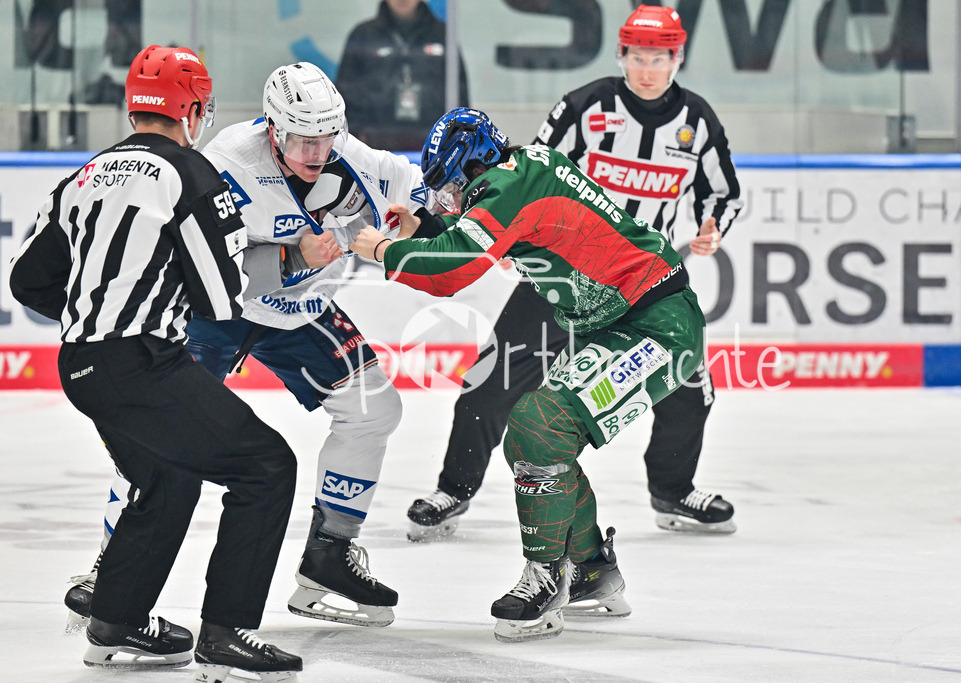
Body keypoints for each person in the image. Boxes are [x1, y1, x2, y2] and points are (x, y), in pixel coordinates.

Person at [62, 62, 431, 632]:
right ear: (273, 129)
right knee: (159, 435)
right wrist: (291, 258)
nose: (317, 150)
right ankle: (109, 568)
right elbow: (205, 267)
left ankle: (329, 553)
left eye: (326, 137)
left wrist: (432, 216)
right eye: (303, 139)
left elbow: (429, 197)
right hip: (221, 311)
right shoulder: (228, 161)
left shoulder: (356, 160)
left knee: (373, 409)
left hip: (302, 310)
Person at [350, 106, 707, 642]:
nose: (447, 200)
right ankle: (589, 569)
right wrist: (425, 228)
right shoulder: (515, 175)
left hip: (657, 327)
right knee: (533, 443)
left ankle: (548, 575)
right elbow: (475, 234)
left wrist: (385, 250)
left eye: (448, 188)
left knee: (538, 427)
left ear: (472, 168)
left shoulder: (508, 183)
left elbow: (454, 270)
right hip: (618, 324)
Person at [9, 45, 302, 677]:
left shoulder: (85, 174)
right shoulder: (193, 174)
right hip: (143, 363)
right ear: (192, 108)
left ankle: (115, 620)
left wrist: (103, 302)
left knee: (168, 478)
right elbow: (221, 298)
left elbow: (28, 281)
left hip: (81, 365)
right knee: (266, 466)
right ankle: (227, 633)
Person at [405, 4, 743, 542]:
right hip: (563, 275)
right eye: (638, 56)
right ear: (621, 54)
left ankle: (673, 490)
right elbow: (526, 174)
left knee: (688, 381)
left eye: (660, 57)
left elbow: (724, 192)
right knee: (494, 377)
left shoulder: (698, 120)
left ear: (678, 57)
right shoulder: (585, 107)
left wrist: (713, 225)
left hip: (643, 280)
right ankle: (454, 488)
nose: (648, 68)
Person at [335, 0, 469, 150]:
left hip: (433, 148)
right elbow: (345, 97)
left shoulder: (443, 35)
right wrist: (358, 143)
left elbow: (459, 96)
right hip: (374, 148)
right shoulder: (362, 35)